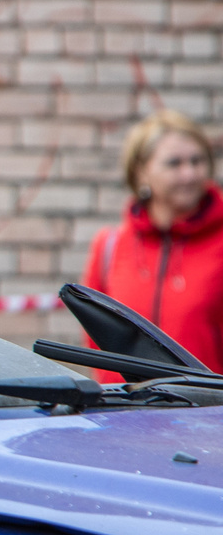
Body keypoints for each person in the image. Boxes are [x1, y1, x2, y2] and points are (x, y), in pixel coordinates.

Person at [83, 110, 223, 372]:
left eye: (197, 161)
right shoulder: (110, 246)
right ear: (141, 172)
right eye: (174, 163)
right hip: (121, 410)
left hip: (207, 409)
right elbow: (96, 340)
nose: (189, 174)